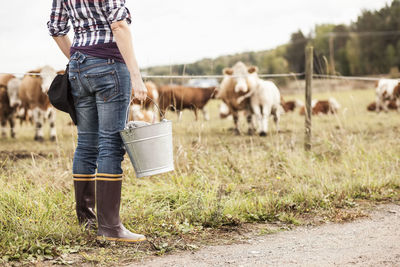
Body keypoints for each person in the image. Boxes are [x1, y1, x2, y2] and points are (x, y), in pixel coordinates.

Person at [47, 0, 147, 243]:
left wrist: (79, 57)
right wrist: (137, 76)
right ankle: (110, 227)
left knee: (86, 144)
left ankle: (88, 221)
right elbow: (119, 26)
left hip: (78, 67)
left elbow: (56, 29)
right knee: (111, 144)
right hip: (110, 65)